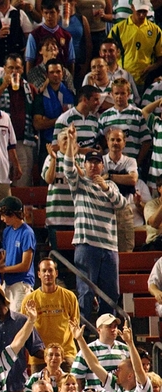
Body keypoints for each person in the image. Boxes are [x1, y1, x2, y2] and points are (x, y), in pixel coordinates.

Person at [60, 125, 127, 319]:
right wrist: (72, 144)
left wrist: (105, 187)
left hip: (109, 247)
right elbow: (68, 169)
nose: (93, 166)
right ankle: (83, 332)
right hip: (87, 245)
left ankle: (106, 335)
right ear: (86, 164)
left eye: (97, 162)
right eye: (90, 162)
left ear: (102, 166)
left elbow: (122, 205)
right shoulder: (80, 184)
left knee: (111, 295)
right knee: (86, 293)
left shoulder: (111, 185)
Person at [72, 320, 151, 392]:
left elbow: (138, 369)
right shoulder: (115, 388)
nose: (115, 372)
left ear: (129, 375)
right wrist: (80, 340)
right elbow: (94, 365)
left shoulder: (142, 390)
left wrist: (129, 343)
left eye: (119, 369)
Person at [21, 258, 80, 371]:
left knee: (69, 387)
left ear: (56, 273)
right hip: (39, 357)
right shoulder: (29, 300)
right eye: (44, 271)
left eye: (50, 270)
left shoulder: (69, 296)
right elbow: (25, 330)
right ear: (39, 274)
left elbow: (75, 325)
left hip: (65, 354)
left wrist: (59, 354)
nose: (47, 274)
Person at [0, 196, 36, 312]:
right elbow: (7, 257)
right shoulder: (7, 231)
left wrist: (2, 269)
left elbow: (25, 265)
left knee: (18, 317)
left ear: (12, 214)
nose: (1, 219)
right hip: (8, 282)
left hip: (21, 283)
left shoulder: (27, 233)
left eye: (3, 215)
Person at [108, 0, 162, 87]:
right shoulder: (118, 29)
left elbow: (160, 57)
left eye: (144, 11)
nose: (142, 15)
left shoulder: (155, 30)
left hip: (146, 80)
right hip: (123, 79)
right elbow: (108, 53)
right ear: (132, 7)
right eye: (139, 11)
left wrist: (151, 68)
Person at [102, 128, 140, 253]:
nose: (115, 143)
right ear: (107, 142)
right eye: (112, 139)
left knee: (126, 250)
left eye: (119, 140)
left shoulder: (130, 161)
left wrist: (109, 176)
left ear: (124, 143)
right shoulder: (100, 161)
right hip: (104, 210)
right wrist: (123, 178)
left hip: (124, 210)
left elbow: (133, 179)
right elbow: (95, 182)